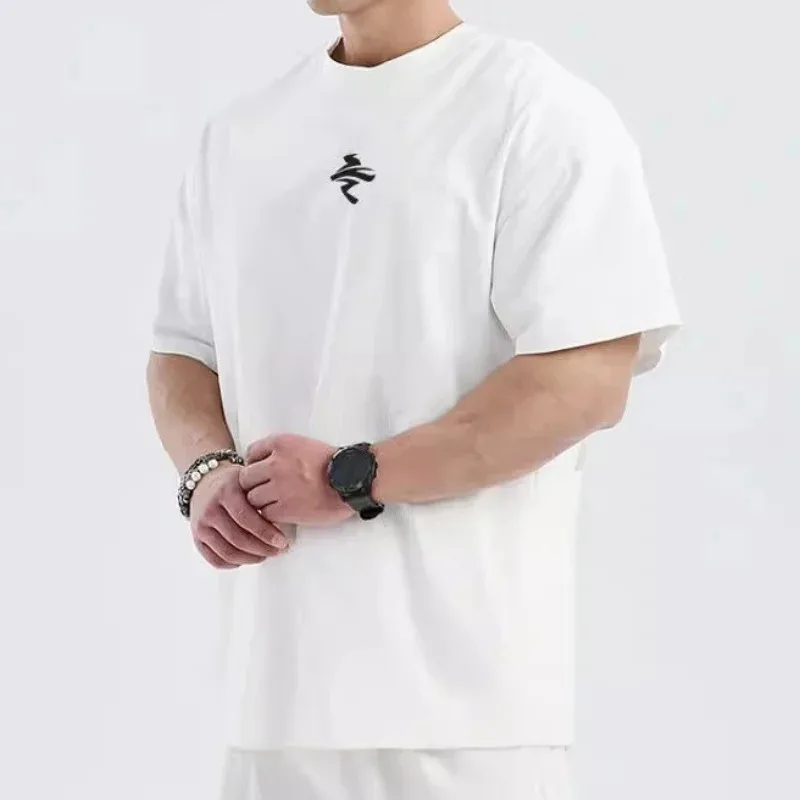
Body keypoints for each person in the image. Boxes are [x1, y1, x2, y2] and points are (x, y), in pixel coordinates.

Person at [146, 1, 682, 797]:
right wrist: (208, 472)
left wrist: (350, 476)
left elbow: (583, 380)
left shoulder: (534, 109)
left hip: (466, 709)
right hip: (272, 696)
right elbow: (182, 348)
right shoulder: (241, 135)